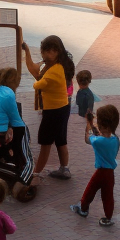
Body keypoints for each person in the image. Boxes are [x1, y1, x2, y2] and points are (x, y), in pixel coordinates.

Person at [22, 35, 74, 180]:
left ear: (56, 51)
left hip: (53, 112)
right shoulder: (56, 65)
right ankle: (64, 169)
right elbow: (34, 70)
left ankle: (36, 175)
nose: (44, 55)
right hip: (62, 108)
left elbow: (37, 84)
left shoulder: (53, 71)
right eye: (43, 51)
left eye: (47, 51)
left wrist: (40, 70)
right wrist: (27, 52)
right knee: (60, 140)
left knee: (45, 143)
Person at [69, 104, 120, 226]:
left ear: (102, 125)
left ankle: (83, 209)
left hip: (101, 172)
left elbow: (88, 139)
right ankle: (108, 217)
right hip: (110, 173)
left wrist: (88, 124)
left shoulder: (98, 141)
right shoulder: (115, 139)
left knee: (90, 190)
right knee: (108, 196)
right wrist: (93, 125)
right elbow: (101, 136)